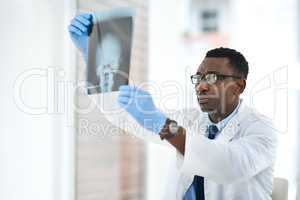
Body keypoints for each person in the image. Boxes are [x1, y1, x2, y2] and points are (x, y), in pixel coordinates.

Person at [69, 13, 278, 200]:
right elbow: (123, 117)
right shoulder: (191, 120)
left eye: (213, 77)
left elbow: (229, 165)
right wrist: (95, 56)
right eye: (199, 78)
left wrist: (164, 125)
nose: (202, 86)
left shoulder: (261, 129)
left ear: (238, 86)